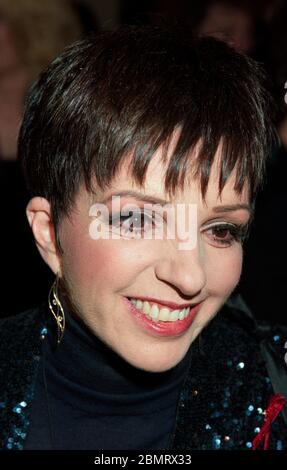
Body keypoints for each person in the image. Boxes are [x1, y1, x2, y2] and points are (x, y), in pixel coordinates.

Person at [0, 25, 286, 451]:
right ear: (49, 233)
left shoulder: (272, 382)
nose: (190, 277)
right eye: (137, 220)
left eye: (221, 229)